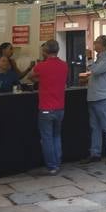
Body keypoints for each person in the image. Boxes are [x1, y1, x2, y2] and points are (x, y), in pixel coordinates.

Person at [79, 35, 106, 164]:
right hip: (94, 96)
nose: (94, 45)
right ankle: (95, 153)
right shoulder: (99, 58)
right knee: (95, 127)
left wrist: (89, 59)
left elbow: (95, 71)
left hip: (104, 96)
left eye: (96, 43)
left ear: (103, 45)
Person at [32, 40, 68, 174]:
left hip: (46, 107)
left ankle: (52, 166)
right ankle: (57, 162)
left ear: (45, 51)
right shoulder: (64, 65)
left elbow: (30, 77)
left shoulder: (41, 66)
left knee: (46, 138)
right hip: (60, 107)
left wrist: (41, 80)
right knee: (57, 136)